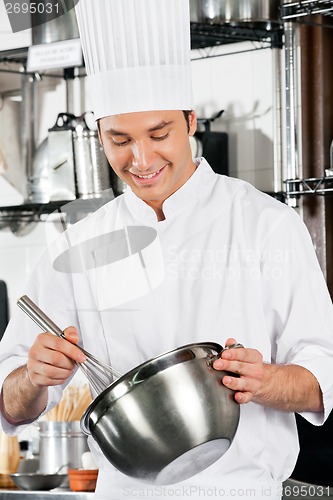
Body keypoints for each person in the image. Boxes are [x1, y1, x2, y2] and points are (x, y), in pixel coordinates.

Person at [1, 1, 333, 499]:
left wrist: (266, 381)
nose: (141, 159)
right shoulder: (77, 246)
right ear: (99, 136)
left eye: (159, 134)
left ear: (191, 121)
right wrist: (33, 375)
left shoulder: (266, 225)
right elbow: (12, 402)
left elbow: (322, 372)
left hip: (241, 493)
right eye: (119, 140)